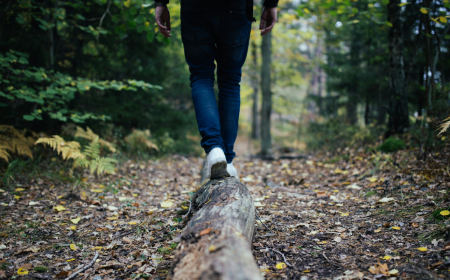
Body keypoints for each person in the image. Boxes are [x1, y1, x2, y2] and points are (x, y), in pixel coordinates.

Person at [154, 0, 278, 179]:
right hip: (236, 7)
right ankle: (226, 160)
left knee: (201, 76)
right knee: (230, 81)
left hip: (195, 7)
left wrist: (160, 3)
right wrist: (271, 4)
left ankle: (214, 150)